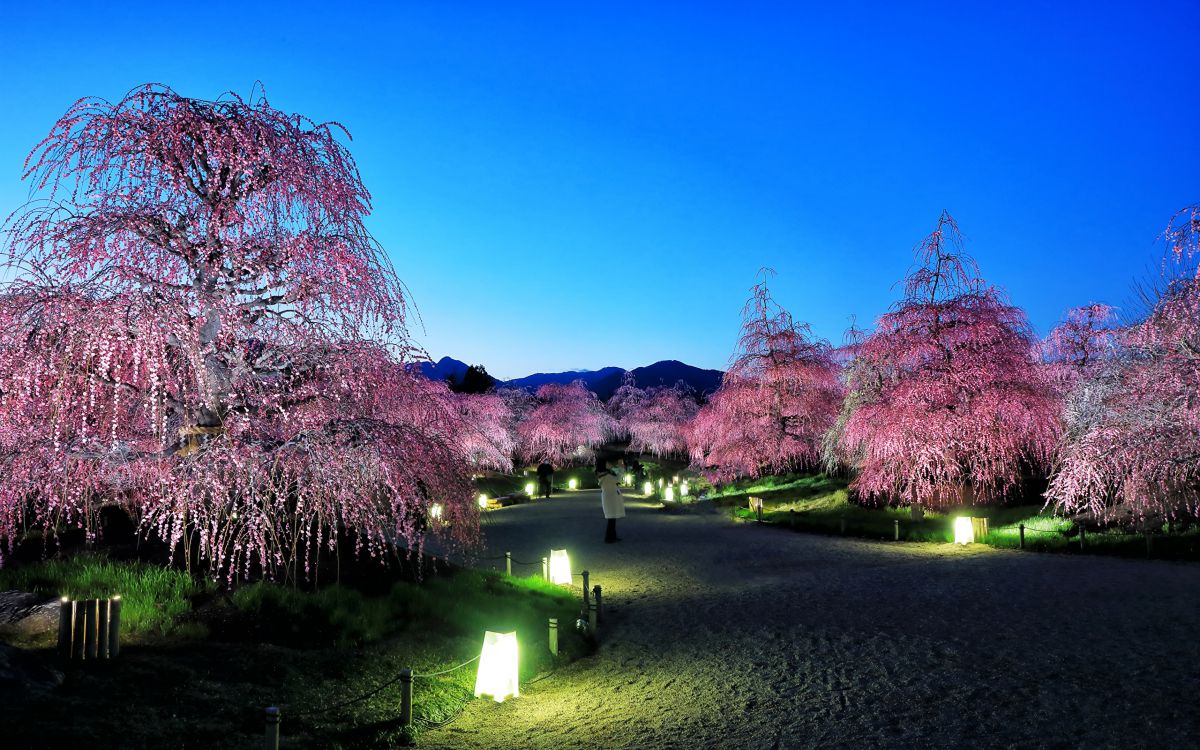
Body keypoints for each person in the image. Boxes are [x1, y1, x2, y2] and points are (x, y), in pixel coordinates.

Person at [596, 455, 625, 543]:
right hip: (610, 498)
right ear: (604, 464)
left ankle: (612, 536)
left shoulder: (605, 474)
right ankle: (609, 538)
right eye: (608, 463)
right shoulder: (606, 476)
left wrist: (620, 467)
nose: (610, 464)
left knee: (612, 518)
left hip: (610, 497)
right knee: (611, 519)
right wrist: (621, 468)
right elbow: (618, 479)